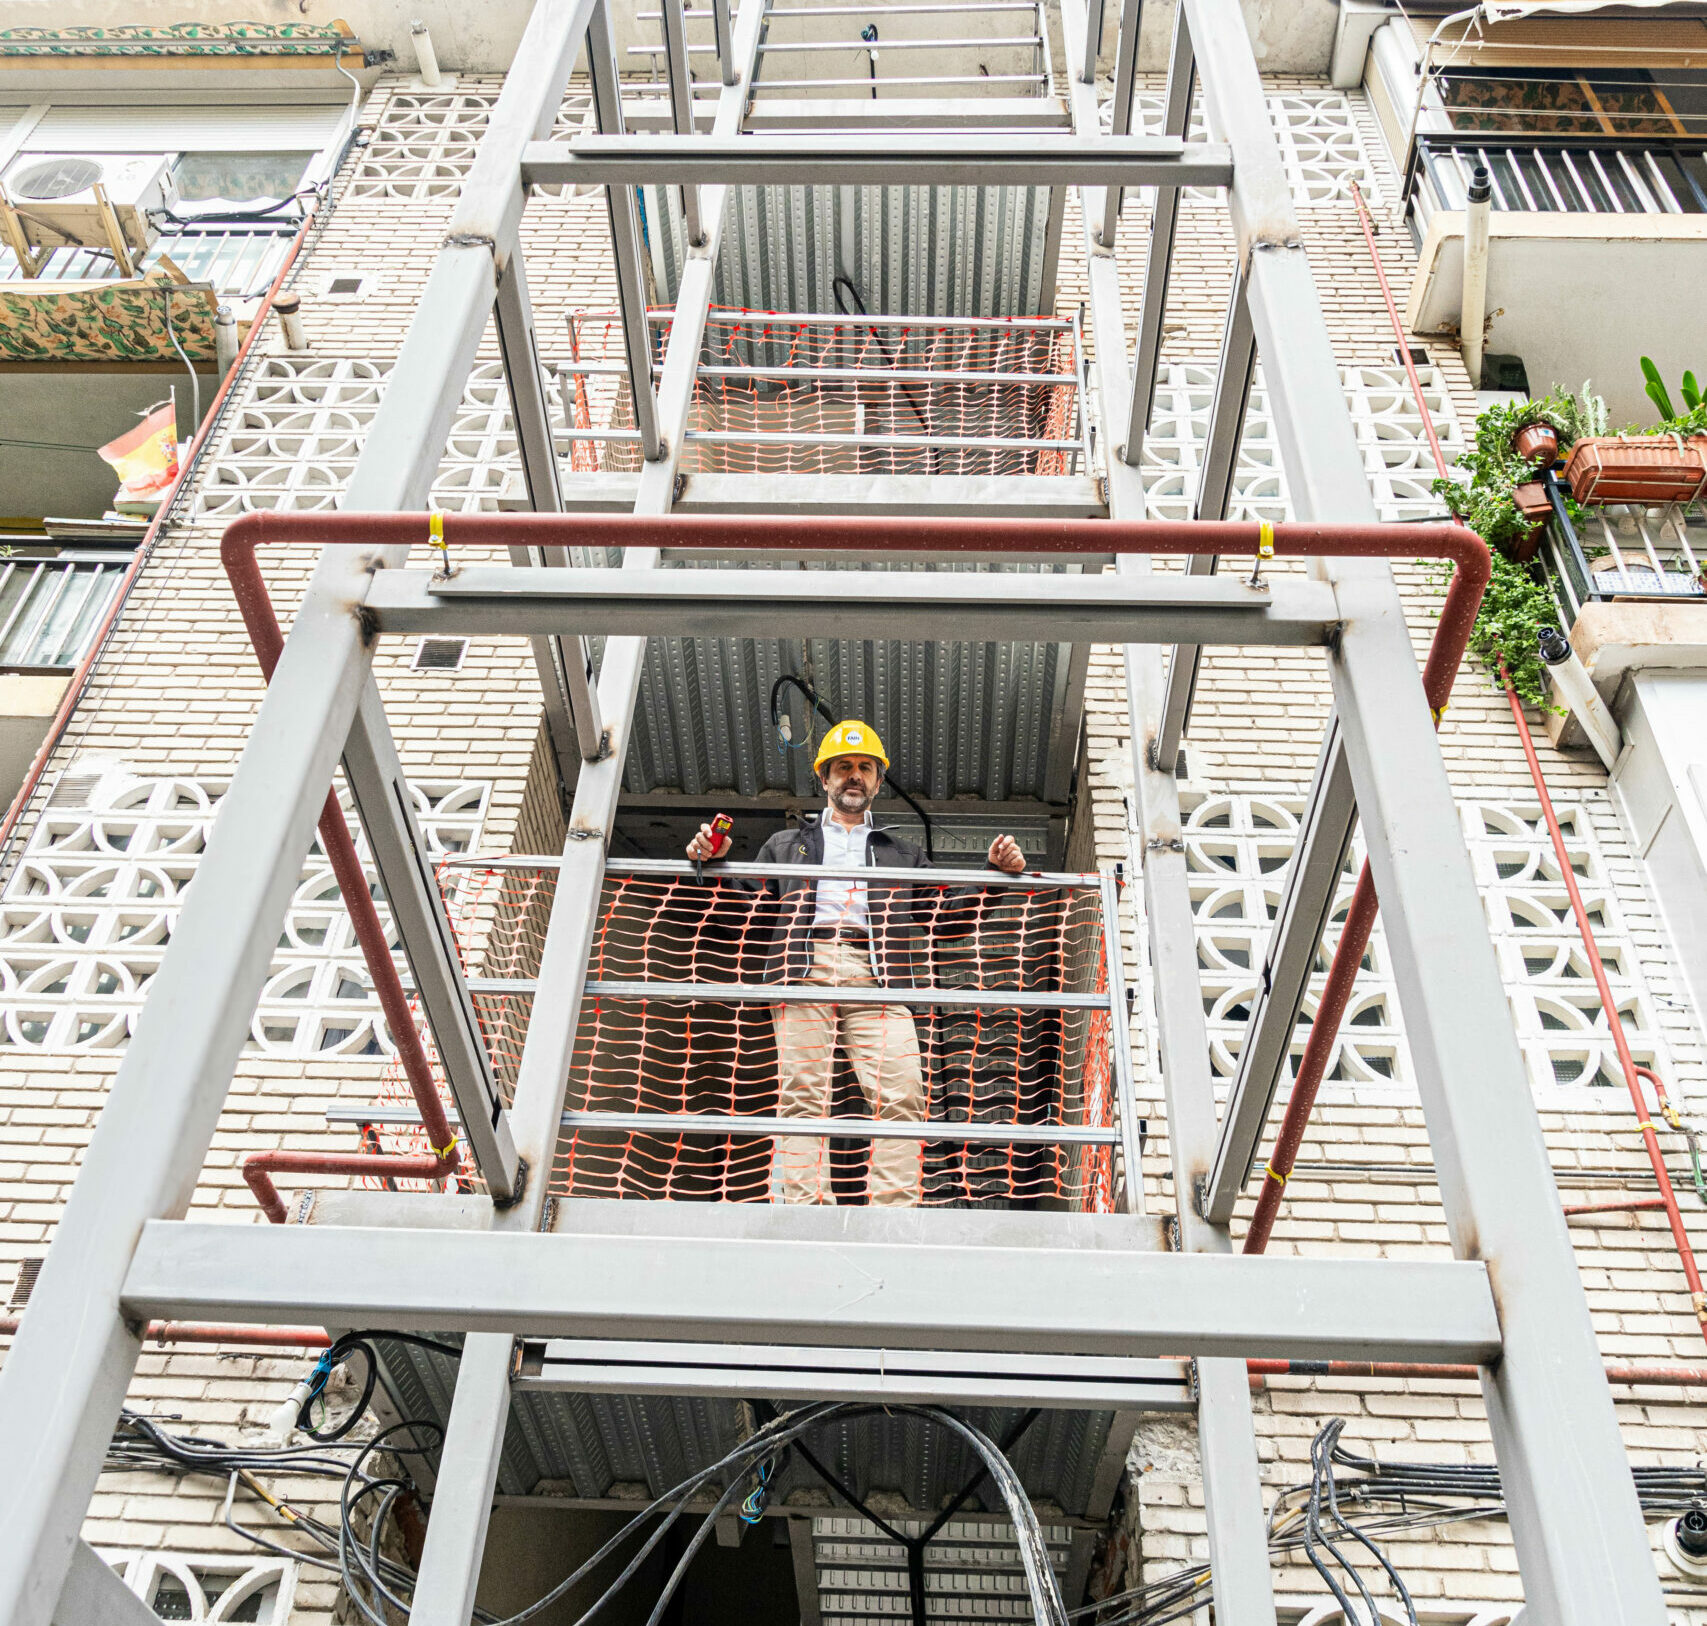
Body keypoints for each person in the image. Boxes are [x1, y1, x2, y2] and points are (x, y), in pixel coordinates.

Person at [686, 720, 1028, 1206]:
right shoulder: (785, 845)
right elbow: (751, 914)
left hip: (880, 977)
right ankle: (805, 1214)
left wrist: (994, 877)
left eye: (864, 767)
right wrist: (713, 863)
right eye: (843, 767)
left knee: (905, 1095)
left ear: (877, 781)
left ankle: (892, 1216)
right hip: (804, 968)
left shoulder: (901, 854)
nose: (854, 775)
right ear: (823, 778)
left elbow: (946, 918)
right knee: (803, 1096)